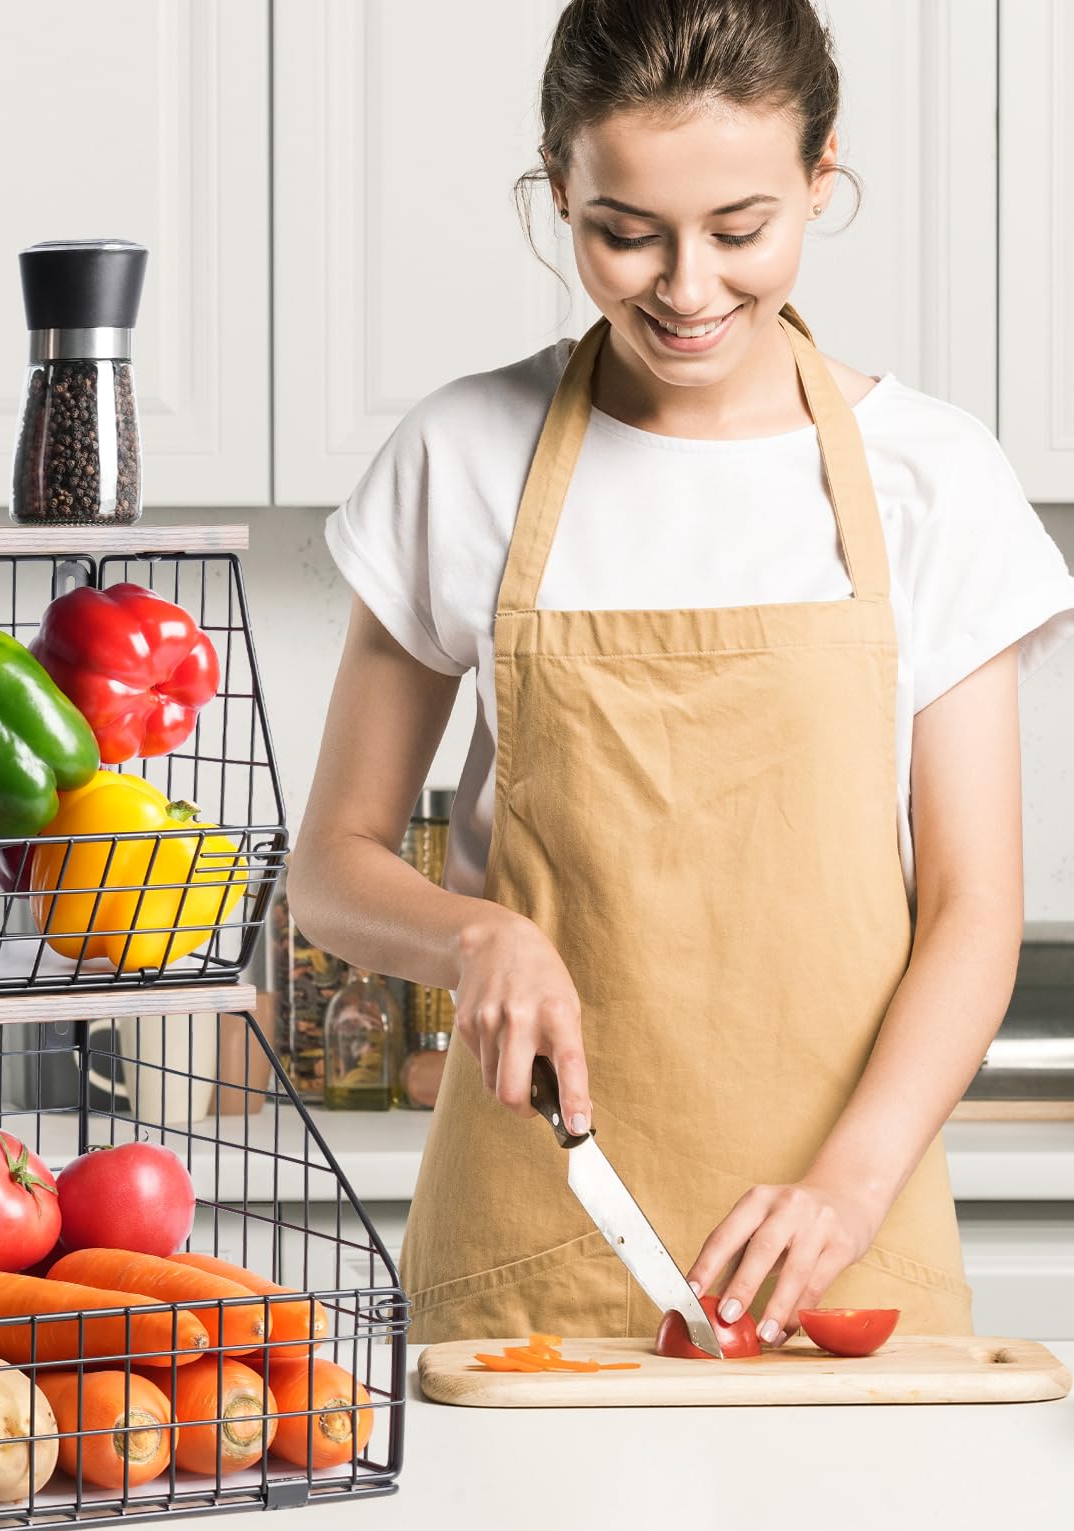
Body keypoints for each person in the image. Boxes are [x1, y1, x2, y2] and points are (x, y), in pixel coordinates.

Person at [286, 0, 1074, 1347]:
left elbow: (972, 909)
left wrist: (846, 1187)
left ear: (823, 182)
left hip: (847, 1249)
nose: (688, 288)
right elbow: (332, 866)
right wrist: (476, 933)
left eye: (740, 229)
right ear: (560, 192)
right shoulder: (461, 455)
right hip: (527, 1250)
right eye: (625, 234)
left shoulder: (935, 479)